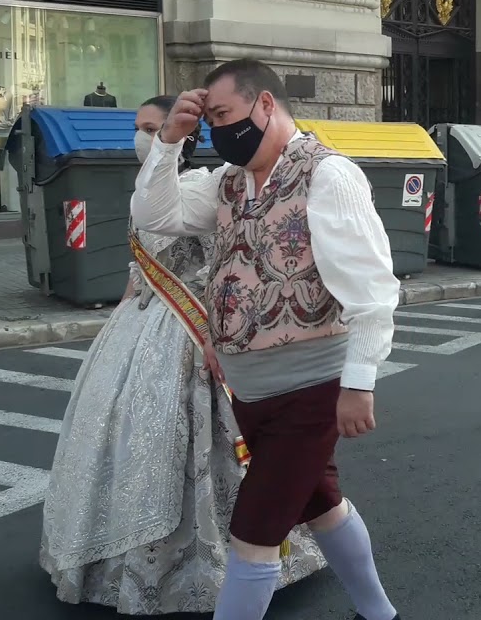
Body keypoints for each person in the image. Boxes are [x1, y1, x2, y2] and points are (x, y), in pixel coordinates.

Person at [130, 60, 402, 620]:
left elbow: (373, 292)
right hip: (252, 393)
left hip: (311, 387)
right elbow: (155, 216)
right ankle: (381, 615)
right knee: (321, 504)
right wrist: (170, 143)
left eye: (225, 116)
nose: (220, 130)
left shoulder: (327, 175)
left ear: (266, 106)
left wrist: (359, 385)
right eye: (211, 122)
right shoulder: (228, 182)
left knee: (252, 531)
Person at [40, 96, 326, 614]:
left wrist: (220, 334)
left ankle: (219, 561)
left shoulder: (201, 186)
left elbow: (228, 266)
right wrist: (121, 321)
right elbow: (140, 270)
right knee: (127, 436)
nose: (143, 135)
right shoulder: (148, 191)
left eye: (154, 128)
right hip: (143, 325)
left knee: (203, 443)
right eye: (140, 128)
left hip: (196, 332)